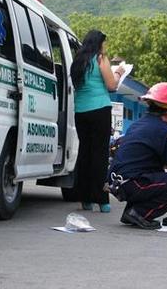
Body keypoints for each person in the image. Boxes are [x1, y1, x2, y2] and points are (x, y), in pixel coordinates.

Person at [108, 82, 167, 229]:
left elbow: (161, 160)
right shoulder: (165, 130)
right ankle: (140, 213)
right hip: (132, 183)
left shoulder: (139, 124)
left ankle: (131, 212)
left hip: (117, 181)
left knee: (158, 173)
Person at [71, 30, 125, 213]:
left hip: (80, 111)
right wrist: (118, 73)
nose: (105, 47)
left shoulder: (77, 62)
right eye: (104, 43)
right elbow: (112, 85)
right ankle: (102, 200)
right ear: (98, 44)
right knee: (100, 154)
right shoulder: (100, 58)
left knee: (85, 153)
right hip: (99, 109)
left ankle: (85, 199)